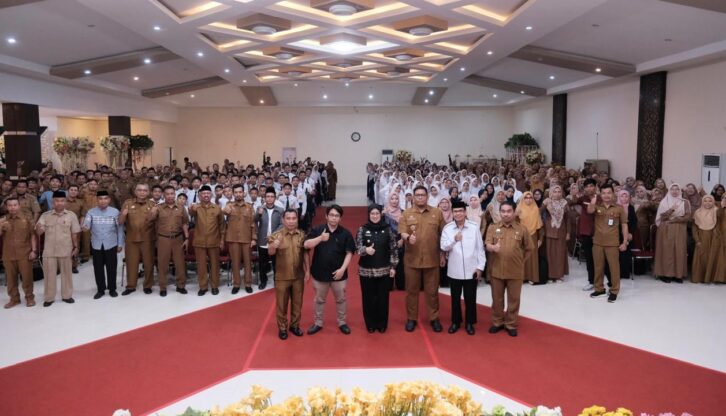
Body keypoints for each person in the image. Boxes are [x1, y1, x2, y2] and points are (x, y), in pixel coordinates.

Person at [398, 185, 446, 333]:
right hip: (412, 260)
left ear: (427, 197)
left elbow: (444, 235)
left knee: (432, 292)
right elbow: (402, 232)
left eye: (422, 195)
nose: (420, 197)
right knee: (411, 291)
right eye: (417, 195)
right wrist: (408, 238)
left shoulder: (437, 213)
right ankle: (411, 318)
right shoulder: (406, 213)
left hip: (432, 259)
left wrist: (443, 254)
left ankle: (434, 318)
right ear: (413, 197)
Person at [305, 205, 355, 335]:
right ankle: (318, 323)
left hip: (339, 274)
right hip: (319, 273)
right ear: (326, 216)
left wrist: (342, 269)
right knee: (319, 300)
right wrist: (320, 238)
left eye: (337, 216)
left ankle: (342, 322)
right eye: (331, 215)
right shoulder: (317, 230)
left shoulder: (346, 233)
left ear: (340, 218)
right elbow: (306, 244)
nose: (334, 218)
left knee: (341, 300)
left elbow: (349, 253)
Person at [485, 201, 531, 337]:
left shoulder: (522, 229)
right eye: (503, 211)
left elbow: (529, 248)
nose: (506, 214)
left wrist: (520, 261)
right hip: (497, 270)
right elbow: (487, 244)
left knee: (514, 300)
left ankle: (511, 324)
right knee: (497, 299)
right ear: (500, 212)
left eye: (509, 211)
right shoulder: (493, 227)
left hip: (515, 271)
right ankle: (497, 322)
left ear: (514, 212)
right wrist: (492, 247)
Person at [441, 200, 485, 335]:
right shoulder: (447, 228)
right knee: (455, 298)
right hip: (454, 270)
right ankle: (455, 322)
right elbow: (443, 246)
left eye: (460, 211)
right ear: (452, 213)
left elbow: (480, 248)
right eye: (455, 211)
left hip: (472, 269)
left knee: (470, 298)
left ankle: (470, 322)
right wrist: (454, 239)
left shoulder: (474, 227)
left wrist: (480, 267)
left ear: (465, 212)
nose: (458, 213)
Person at [267, 209, 309, 340]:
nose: (291, 221)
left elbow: (305, 253)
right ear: (283, 220)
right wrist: (274, 245)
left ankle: (295, 326)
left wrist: (308, 270)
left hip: (298, 276)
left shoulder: (302, 235)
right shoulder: (276, 235)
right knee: (281, 305)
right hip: (282, 277)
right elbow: (270, 253)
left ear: (297, 219)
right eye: (288, 218)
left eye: (293, 218)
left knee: (297, 303)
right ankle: (282, 328)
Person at [356, 204, 398, 333]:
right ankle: (370, 323)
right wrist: (365, 250)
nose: (375, 216)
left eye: (377, 214)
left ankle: (382, 323)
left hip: (384, 270)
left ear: (381, 215)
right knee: (368, 298)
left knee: (383, 298)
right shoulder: (362, 229)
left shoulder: (388, 229)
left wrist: (393, 266)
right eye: (372, 214)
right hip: (366, 271)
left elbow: (393, 248)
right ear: (369, 215)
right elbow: (357, 248)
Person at [36, 191, 81, 307]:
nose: (59, 203)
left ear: (65, 202)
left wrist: (76, 247)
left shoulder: (71, 215)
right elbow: (39, 232)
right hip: (49, 250)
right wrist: (39, 228)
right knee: (49, 276)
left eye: (62, 200)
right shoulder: (45, 215)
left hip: (66, 249)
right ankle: (49, 297)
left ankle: (67, 296)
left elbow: (74, 233)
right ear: (53, 202)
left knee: (67, 275)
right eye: (57, 201)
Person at [587, 184, 628, 303]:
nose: (606, 195)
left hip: (612, 243)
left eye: (609, 193)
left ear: (613, 194)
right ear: (600, 194)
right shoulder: (597, 206)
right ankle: (599, 289)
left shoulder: (619, 208)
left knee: (614, 268)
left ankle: (614, 291)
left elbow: (624, 225)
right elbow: (589, 210)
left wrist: (625, 241)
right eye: (604, 193)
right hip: (598, 242)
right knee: (598, 267)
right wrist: (592, 202)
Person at [83, 190, 124, 299]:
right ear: (97, 200)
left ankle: (112, 289)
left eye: (105, 198)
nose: (103, 201)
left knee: (112, 268)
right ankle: (100, 290)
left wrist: (120, 243)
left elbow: (120, 229)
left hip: (111, 244)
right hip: (96, 244)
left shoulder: (115, 212)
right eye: (100, 199)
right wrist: (84, 226)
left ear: (109, 200)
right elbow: (86, 224)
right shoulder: (91, 212)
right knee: (98, 269)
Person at [148, 186, 189, 296]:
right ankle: (163, 287)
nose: (170, 196)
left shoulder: (181, 207)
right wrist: (152, 211)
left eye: (172, 193)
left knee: (180, 263)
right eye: (167, 194)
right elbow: (149, 220)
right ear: (164, 195)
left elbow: (185, 223)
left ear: (175, 194)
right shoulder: (159, 207)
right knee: (163, 264)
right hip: (163, 239)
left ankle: (180, 286)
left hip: (178, 238)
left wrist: (187, 238)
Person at [119, 184, 156, 295]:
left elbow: (154, 221)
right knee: (131, 263)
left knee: (148, 264)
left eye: (145, 190)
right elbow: (120, 222)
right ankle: (131, 286)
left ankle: (148, 285)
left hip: (148, 239)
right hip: (132, 239)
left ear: (148, 192)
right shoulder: (127, 203)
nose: (142, 192)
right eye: (139, 190)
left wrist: (153, 212)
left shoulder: (152, 204)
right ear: (135, 192)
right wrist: (123, 215)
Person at [1, 198, 38, 308]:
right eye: (10, 205)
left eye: (15, 205)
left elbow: (32, 235)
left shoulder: (27, 218)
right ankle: (14, 299)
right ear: (6, 207)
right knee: (11, 279)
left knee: (27, 278)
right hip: (8, 254)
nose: (12, 207)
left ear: (19, 206)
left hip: (25, 253)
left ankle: (29, 298)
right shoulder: (3, 219)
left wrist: (34, 250)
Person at [190, 185, 225, 296]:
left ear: (211, 195)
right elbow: (191, 214)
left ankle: (214, 286)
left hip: (214, 241)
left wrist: (222, 240)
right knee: (201, 266)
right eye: (203, 193)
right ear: (200, 195)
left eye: (208, 193)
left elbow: (222, 225)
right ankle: (203, 287)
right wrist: (192, 208)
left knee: (215, 265)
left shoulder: (217, 208)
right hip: (199, 241)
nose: (206, 195)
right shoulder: (196, 208)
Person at [224, 184, 258, 294]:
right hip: (233, 238)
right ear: (233, 194)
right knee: (235, 263)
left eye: (240, 192)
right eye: (236, 192)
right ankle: (236, 284)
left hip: (246, 238)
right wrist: (225, 211)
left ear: (244, 193)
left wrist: (254, 238)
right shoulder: (229, 206)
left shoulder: (249, 207)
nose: (238, 194)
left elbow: (253, 223)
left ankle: (248, 284)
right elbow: (223, 217)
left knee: (248, 263)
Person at [654, 183, 691, 283]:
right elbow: (662, 217)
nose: (675, 191)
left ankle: (678, 275)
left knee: (679, 251)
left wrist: (674, 219)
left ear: (680, 191)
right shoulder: (664, 202)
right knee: (667, 251)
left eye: (677, 189)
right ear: (669, 191)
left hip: (679, 228)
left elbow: (688, 217)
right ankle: (665, 274)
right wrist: (671, 209)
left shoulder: (685, 202)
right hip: (666, 229)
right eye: (672, 189)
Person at [255, 190, 284, 290]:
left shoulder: (280, 210)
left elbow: (282, 224)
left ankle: (277, 280)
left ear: (275, 198)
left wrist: (273, 235)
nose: (270, 198)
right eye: (268, 196)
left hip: (275, 241)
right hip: (262, 240)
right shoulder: (260, 209)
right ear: (264, 198)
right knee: (262, 263)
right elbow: (254, 221)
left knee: (276, 263)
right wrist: (259, 214)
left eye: (272, 196)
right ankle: (263, 281)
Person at [574, 178, 598, 290]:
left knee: (600, 258)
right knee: (589, 257)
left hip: (599, 231)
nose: (589, 188)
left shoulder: (601, 198)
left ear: (595, 187)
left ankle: (602, 282)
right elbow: (572, 202)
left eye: (591, 186)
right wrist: (574, 193)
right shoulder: (582, 198)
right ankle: (591, 281)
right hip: (587, 232)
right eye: (587, 186)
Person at [542, 185, 570, 282]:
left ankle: (559, 275)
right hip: (549, 230)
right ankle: (550, 275)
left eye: (559, 192)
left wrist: (568, 233)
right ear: (551, 193)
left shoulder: (564, 203)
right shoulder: (547, 202)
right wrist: (544, 204)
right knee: (550, 254)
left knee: (560, 254)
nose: (557, 194)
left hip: (561, 231)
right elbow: (538, 212)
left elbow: (567, 219)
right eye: (555, 192)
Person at [516, 192, 544, 285]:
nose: (528, 199)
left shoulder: (536, 209)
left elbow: (540, 226)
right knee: (521, 256)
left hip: (533, 235)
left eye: (530, 197)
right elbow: (515, 224)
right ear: (523, 199)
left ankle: (532, 277)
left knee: (532, 257)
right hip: (521, 235)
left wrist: (540, 239)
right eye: (526, 197)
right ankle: (522, 277)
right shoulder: (519, 209)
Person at [691, 195, 719, 283]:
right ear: (702, 202)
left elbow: (720, 226)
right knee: (701, 258)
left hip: (714, 238)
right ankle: (700, 277)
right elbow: (694, 228)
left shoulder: (717, 211)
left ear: (713, 202)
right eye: (705, 201)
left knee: (713, 257)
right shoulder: (697, 212)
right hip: (701, 237)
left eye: (710, 201)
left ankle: (711, 278)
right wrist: (697, 240)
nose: (707, 203)